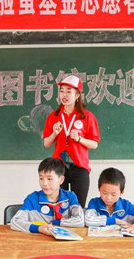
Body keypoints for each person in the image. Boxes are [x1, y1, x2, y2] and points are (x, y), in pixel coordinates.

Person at [42, 75, 100, 207]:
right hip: (58, 167)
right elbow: (46, 143)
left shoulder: (87, 116)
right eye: (62, 91)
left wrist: (79, 139)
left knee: (78, 207)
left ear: (77, 94)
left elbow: (94, 144)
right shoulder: (53, 116)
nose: (64, 95)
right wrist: (54, 133)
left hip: (79, 167)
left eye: (69, 91)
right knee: (57, 205)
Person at [10, 158, 84, 234]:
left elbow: (80, 220)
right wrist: (38, 228)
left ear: (61, 180)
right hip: (38, 239)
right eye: (41, 178)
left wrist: (56, 222)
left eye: (49, 179)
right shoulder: (32, 199)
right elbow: (15, 221)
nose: (44, 183)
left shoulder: (70, 197)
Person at [84, 167, 134, 233]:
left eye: (113, 194)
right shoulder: (94, 203)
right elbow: (88, 220)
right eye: (105, 193)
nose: (108, 198)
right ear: (99, 189)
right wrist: (116, 221)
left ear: (121, 192)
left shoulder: (126, 205)